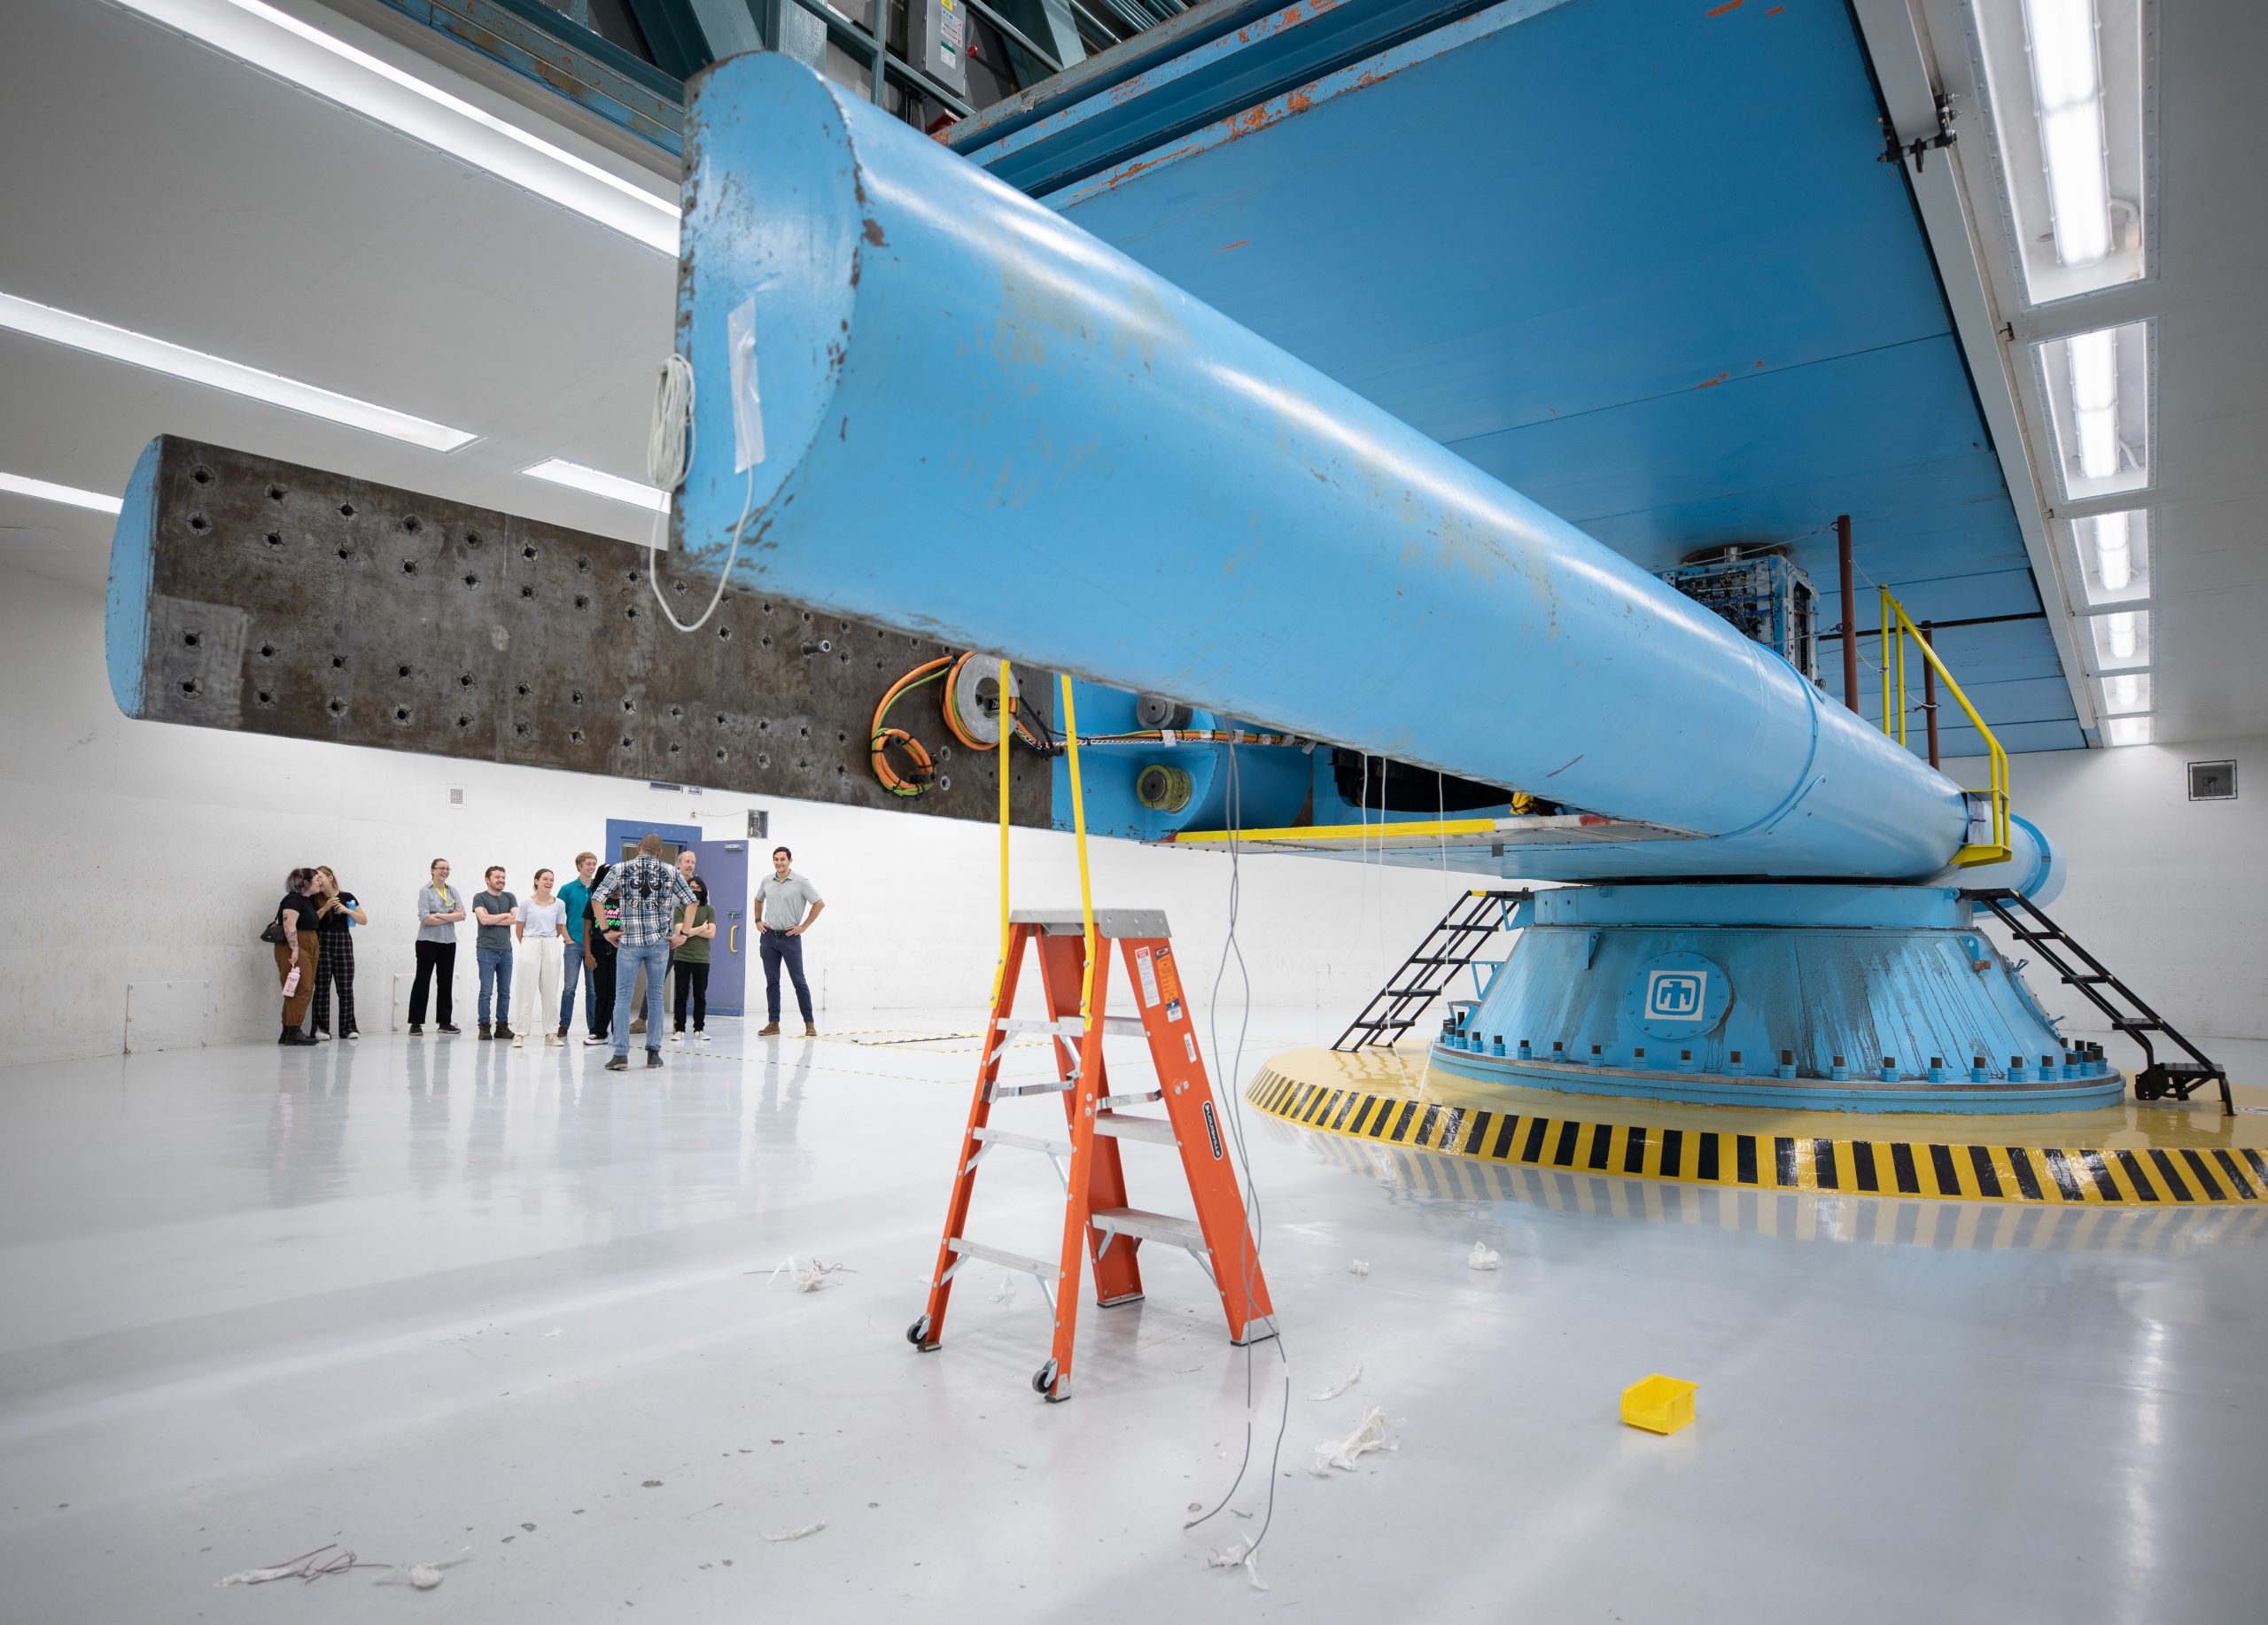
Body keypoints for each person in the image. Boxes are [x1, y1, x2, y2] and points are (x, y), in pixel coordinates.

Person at [590, 833, 696, 1072]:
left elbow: (597, 898)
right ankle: (653, 1054)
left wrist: (606, 929)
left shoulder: (620, 868)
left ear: (639, 847)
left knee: (623, 997)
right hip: (660, 942)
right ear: (660, 852)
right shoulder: (671, 871)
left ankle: (620, 1055)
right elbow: (692, 902)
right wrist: (685, 934)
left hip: (628, 941)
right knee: (656, 997)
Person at [755, 845, 825, 1038]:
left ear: (790, 861)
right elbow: (758, 899)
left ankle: (809, 1024)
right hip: (768, 937)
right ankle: (773, 1023)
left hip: (790, 937)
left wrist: (804, 926)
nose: (779, 862)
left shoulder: (801, 882)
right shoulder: (767, 880)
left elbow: (819, 903)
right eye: (776, 859)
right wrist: (758, 920)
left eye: (782, 859)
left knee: (798, 981)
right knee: (772, 982)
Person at [631, 848, 699, 1037]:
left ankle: (681, 1025)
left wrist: (688, 934)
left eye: (692, 862)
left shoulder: (698, 885)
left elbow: (702, 912)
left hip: (689, 941)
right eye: (686, 861)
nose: (689, 865)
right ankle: (642, 1020)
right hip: (668, 940)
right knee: (656, 981)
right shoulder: (668, 881)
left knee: (687, 985)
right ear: (678, 863)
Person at [512, 869, 571, 1048]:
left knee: (550, 990)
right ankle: (520, 1034)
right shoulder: (525, 904)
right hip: (530, 943)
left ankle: (551, 1033)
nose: (549, 882)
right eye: (545, 879)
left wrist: (548, 943)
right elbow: (519, 929)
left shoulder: (559, 904)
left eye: (552, 879)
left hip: (551, 943)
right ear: (536, 881)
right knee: (525, 990)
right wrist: (529, 945)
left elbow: (559, 927)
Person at [307, 866, 366, 1042]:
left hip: (343, 942)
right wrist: (325, 907)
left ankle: (348, 1028)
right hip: (322, 942)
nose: (318, 881)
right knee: (322, 987)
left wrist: (347, 910)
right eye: (315, 878)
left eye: (320, 877)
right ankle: (321, 1028)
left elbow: (363, 920)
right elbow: (311, 921)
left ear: (330, 877)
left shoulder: (348, 897)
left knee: (346, 988)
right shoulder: (313, 898)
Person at [409, 859, 464, 1036]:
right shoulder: (425, 891)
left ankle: (444, 1022)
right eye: (441, 868)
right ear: (432, 870)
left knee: (446, 981)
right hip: (427, 941)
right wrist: (449, 915)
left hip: (448, 942)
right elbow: (425, 918)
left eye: (448, 868)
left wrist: (438, 915)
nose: (445, 871)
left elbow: (461, 915)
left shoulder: (453, 891)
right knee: (422, 980)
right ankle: (416, 1023)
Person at [272, 867, 322, 1046]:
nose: (320, 882)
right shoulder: (293, 899)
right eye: (317, 879)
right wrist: (295, 949)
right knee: (300, 988)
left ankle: (287, 1031)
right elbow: (289, 924)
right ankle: (294, 1031)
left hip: (309, 944)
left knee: (299, 987)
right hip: (296, 946)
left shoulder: (307, 900)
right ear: (305, 882)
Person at [472, 865, 517, 1040]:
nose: (501, 880)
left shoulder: (510, 897)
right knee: (486, 991)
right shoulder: (480, 897)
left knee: (505, 991)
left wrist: (493, 918)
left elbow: (516, 919)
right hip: (486, 950)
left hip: (506, 951)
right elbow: (483, 919)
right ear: (487, 879)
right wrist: (504, 915)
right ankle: (484, 1027)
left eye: (503, 877)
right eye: (497, 877)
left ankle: (502, 1026)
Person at [670, 876, 717, 1046]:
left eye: (697, 887)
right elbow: (680, 930)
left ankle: (699, 1029)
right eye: (691, 887)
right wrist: (703, 927)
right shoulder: (679, 908)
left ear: (703, 890)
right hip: (682, 956)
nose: (694, 890)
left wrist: (689, 931)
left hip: (702, 958)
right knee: (681, 995)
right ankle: (680, 1029)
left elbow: (711, 934)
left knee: (700, 995)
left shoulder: (709, 909)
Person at [557, 851, 598, 1040]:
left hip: (594, 946)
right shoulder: (567, 889)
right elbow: (557, 917)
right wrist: (567, 939)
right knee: (569, 988)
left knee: (593, 989)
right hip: (573, 945)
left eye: (594, 864)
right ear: (579, 866)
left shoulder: (598, 889)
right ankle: (564, 1025)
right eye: (588, 864)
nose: (591, 867)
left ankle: (594, 1026)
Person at [580, 862, 619, 1049]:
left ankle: (619, 1030)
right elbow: (587, 930)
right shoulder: (596, 900)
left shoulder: (626, 901)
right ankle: (599, 1031)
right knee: (602, 992)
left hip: (621, 951)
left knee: (619, 993)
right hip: (598, 949)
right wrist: (588, 955)